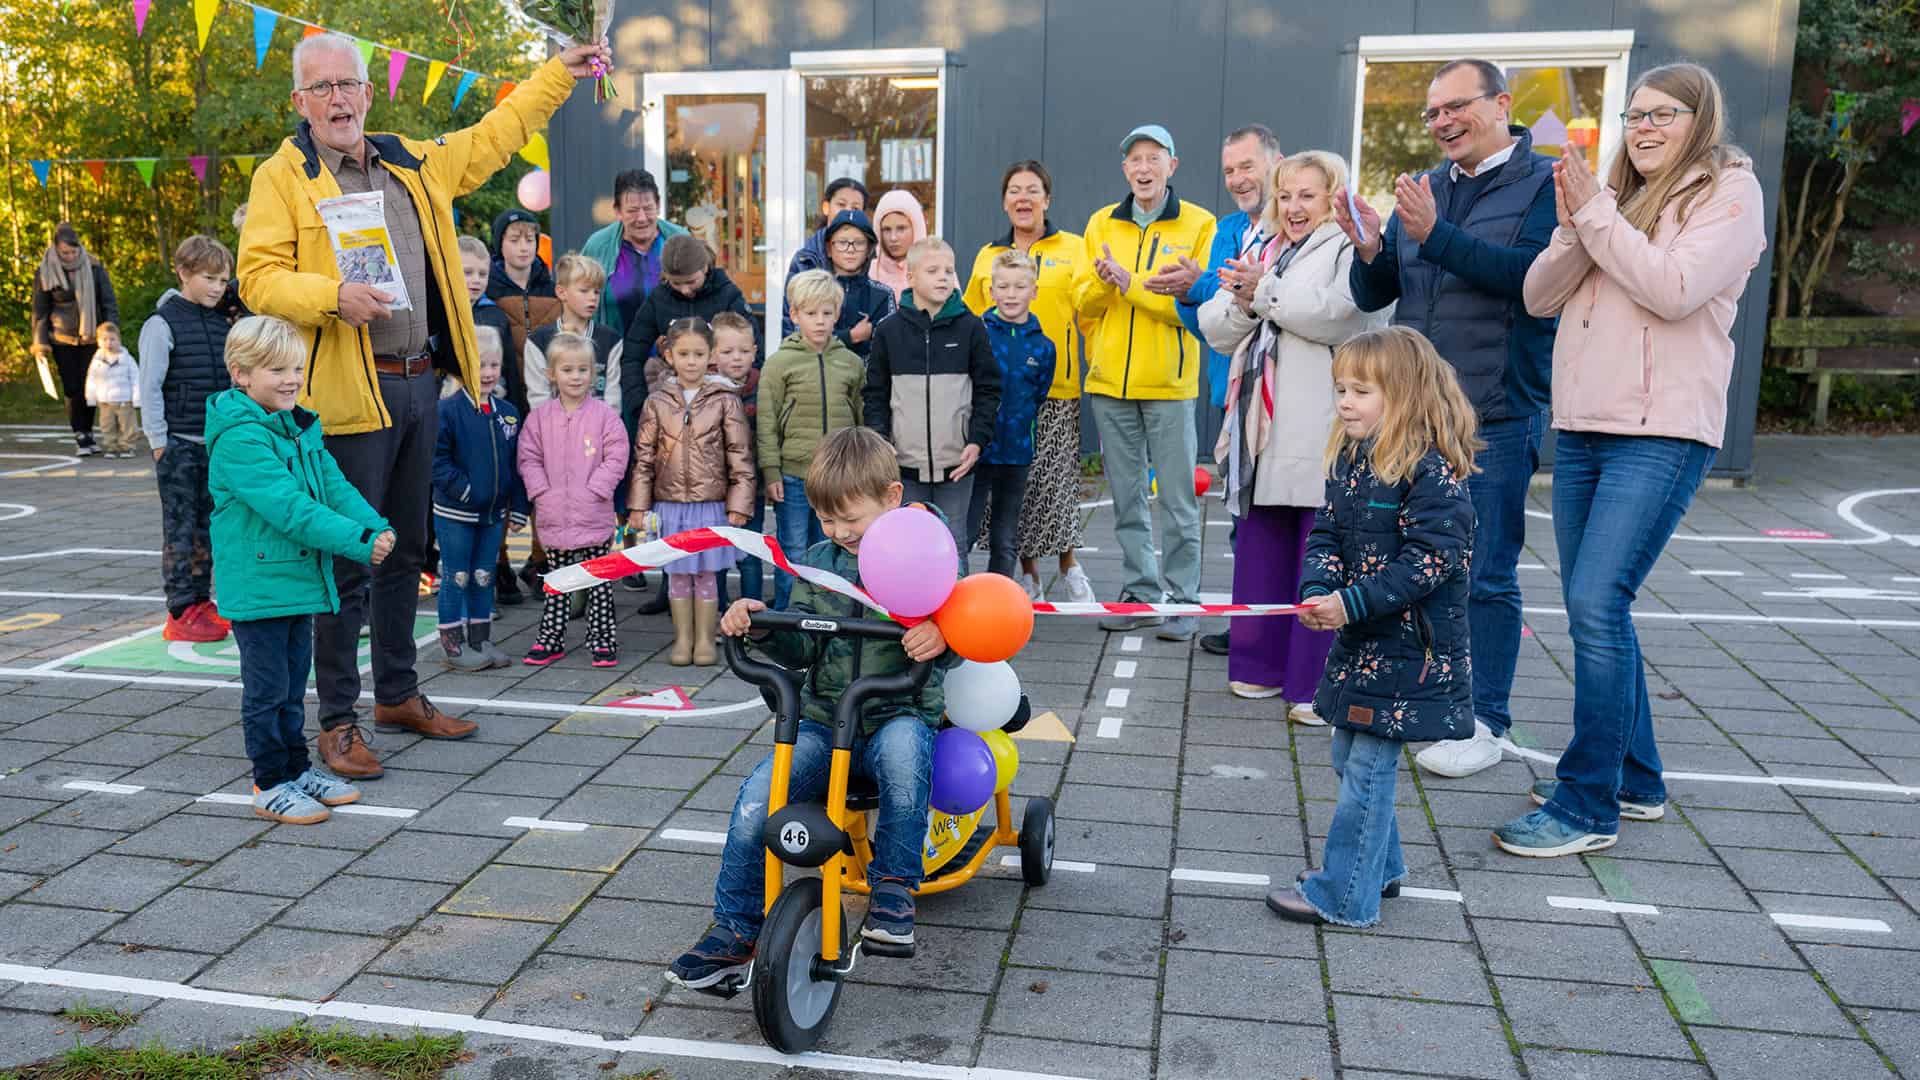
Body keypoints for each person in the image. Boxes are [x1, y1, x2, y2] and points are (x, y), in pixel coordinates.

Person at [236, 30, 610, 777]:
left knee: (408, 551)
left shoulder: (408, 158)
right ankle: (338, 721)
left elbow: (495, 135)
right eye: (323, 89)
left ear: (370, 93)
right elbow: (257, 278)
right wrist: (330, 296)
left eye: (350, 85)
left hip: (420, 381)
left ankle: (398, 694)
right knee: (348, 561)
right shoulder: (283, 176)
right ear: (300, 102)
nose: (339, 99)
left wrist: (557, 77)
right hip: (345, 390)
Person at [1495, 63, 1767, 857]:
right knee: (1598, 605)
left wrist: (1600, 215)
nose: (1643, 128)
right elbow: (1540, 296)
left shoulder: (1728, 192)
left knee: (1593, 604)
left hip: (1662, 428)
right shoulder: (1607, 201)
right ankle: (1637, 779)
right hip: (1583, 427)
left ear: (1700, 120)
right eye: (1634, 115)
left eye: (1663, 115)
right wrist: (1579, 223)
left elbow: (1675, 289)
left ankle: (1587, 805)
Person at [668, 426, 960, 990]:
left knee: (904, 762)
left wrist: (940, 634)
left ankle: (895, 890)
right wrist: (758, 626)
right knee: (759, 797)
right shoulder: (818, 563)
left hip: (896, 712)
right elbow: (800, 645)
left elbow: (964, 614)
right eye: (828, 519)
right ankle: (734, 927)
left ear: (893, 498)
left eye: (852, 518)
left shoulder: (926, 548)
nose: (840, 532)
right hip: (828, 719)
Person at [1334, 58, 1557, 781]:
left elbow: (1531, 284)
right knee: (1403, 561)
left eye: (1456, 107)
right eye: (1433, 113)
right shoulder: (1423, 190)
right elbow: (1383, 288)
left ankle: (1485, 720)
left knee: (1484, 570)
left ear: (1502, 104)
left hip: (1493, 410)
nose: (1442, 123)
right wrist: (1370, 246)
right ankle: (1420, 699)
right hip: (1414, 415)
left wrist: (1434, 236)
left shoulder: (1545, 185)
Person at [1264, 326, 1479, 927]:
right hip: (1365, 642)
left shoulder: (1432, 472)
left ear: (1404, 394)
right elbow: (1328, 533)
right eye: (1341, 390)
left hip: (1410, 652)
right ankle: (1377, 869)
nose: (1345, 402)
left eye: (1361, 390)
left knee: (1367, 768)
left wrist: (1351, 603)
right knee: (1346, 757)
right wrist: (1317, 591)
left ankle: (1344, 896)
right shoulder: (1355, 459)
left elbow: (1429, 562)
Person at [1198, 150, 1388, 724]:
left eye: (1307, 195)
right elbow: (1214, 325)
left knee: (1320, 550)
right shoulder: (1265, 246)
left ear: (1333, 195)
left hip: (1321, 419)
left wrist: (1264, 294)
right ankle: (1257, 665)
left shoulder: (1347, 247)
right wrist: (1247, 299)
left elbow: (1342, 315)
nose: (1294, 207)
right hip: (1261, 426)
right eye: (1285, 195)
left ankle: (1313, 685)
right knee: (1261, 545)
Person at [205, 315, 394, 826]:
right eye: (276, 369)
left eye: (296, 367)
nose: (291, 379)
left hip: (294, 581)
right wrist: (359, 542)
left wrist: (374, 523)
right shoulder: (242, 439)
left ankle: (296, 769)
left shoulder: (298, 424)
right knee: (267, 691)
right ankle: (270, 782)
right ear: (241, 373)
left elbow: (333, 487)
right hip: (260, 583)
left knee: (292, 686)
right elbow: (290, 508)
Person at [1072, 124, 1216, 640]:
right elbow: (1082, 304)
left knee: (1178, 501)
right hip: (1110, 384)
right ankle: (1141, 593)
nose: (1143, 167)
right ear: (1125, 169)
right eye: (1134, 158)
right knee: (1127, 498)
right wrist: (1107, 286)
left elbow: (1190, 310)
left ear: (1172, 166)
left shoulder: (1200, 225)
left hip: (1170, 387)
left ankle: (1183, 600)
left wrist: (1129, 284)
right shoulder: (1100, 223)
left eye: (1154, 157)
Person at [962, 161, 1096, 605]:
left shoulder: (1074, 248)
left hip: (1053, 388)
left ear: (1047, 199)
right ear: (1004, 201)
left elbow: (1088, 308)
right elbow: (970, 319)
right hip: (997, 396)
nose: (1024, 198)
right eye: (1015, 190)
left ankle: (1069, 565)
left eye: (1033, 190)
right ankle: (1027, 575)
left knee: (1055, 486)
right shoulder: (987, 256)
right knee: (1016, 493)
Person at [1179, 125, 1284, 656]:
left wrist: (1201, 285)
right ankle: (1251, 626)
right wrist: (1192, 287)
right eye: (1229, 171)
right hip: (1235, 390)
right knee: (1243, 516)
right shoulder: (1229, 227)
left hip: (1285, 394)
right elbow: (1212, 306)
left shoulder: (1296, 227)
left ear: (1276, 161)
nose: (1239, 179)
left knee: (1285, 520)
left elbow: (1223, 289)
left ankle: (1278, 631)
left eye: (1247, 166)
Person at [627, 318, 756, 665]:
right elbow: (643, 457)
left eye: (699, 353)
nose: (691, 361)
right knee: (677, 573)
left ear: (710, 355)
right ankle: (682, 640)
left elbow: (739, 454)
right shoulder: (657, 401)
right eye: (684, 353)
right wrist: (638, 507)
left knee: (707, 574)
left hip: (710, 505)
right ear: (670, 355)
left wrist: (739, 503)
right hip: (670, 506)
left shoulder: (724, 400)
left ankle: (705, 641)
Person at [864, 237, 1001, 552]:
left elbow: (988, 388)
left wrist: (977, 440)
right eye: (933, 270)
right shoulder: (889, 331)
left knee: (953, 543)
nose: (944, 277)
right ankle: (908, 603)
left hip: (957, 465)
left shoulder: (971, 328)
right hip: (904, 466)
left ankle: (958, 602)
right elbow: (875, 393)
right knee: (909, 545)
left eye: (949, 271)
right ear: (910, 277)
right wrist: (881, 439)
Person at [138, 235, 238, 644]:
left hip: (213, 445)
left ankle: (201, 600)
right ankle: (180, 609)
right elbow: (149, 387)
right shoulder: (161, 324)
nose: (217, 287)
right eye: (209, 278)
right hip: (178, 445)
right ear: (183, 273)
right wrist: (159, 441)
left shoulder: (224, 321)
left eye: (223, 279)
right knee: (180, 530)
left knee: (208, 528)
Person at [519, 332, 631, 667]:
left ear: (592, 375)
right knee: (557, 581)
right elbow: (528, 457)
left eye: (583, 370)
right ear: (552, 374)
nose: (576, 377)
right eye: (567, 370)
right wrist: (542, 491)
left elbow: (617, 455)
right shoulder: (540, 418)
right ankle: (550, 639)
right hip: (554, 514)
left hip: (593, 513)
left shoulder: (604, 416)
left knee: (598, 583)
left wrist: (597, 489)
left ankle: (602, 640)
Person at [759, 270, 865, 610]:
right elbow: (766, 421)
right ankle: (789, 622)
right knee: (792, 548)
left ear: (837, 314)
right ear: (794, 315)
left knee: (831, 549)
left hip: (837, 478)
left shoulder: (850, 363)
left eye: (827, 313)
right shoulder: (779, 364)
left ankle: (829, 617)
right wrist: (771, 472)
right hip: (792, 476)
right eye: (810, 313)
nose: (819, 322)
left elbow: (861, 418)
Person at [432, 325, 526, 672]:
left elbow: (516, 463)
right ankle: (453, 645)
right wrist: (466, 491)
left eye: (493, 365)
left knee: (484, 574)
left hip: (493, 514)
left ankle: (480, 638)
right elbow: (436, 462)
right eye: (477, 365)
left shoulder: (508, 412)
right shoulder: (447, 411)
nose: (487, 373)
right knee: (457, 575)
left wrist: (518, 506)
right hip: (456, 512)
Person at [965, 250, 1055, 579]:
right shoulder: (977, 334)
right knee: (966, 532)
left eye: (1019, 287)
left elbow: (1039, 393)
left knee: (1005, 538)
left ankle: (996, 603)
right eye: (1003, 287)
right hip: (975, 452)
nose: (1011, 294)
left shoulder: (1044, 347)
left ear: (1034, 291)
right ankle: (949, 600)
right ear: (991, 291)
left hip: (1017, 455)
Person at [623, 234, 757, 406]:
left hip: (722, 401)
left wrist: (744, 403)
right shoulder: (659, 299)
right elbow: (632, 356)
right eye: (676, 284)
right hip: (672, 402)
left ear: (705, 268)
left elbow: (753, 351)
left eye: (691, 281)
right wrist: (640, 405)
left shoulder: (727, 294)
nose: (685, 290)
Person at [31, 223, 120, 457]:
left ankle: (89, 431)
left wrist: (113, 333)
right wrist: (40, 343)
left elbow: (108, 302)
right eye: (65, 253)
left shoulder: (94, 267)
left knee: (90, 387)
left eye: (73, 252)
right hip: (62, 338)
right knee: (72, 388)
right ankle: (80, 433)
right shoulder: (45, 271)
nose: (70, 256)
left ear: (79, 248)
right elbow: (40, 310)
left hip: (93, 337)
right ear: (56, 250)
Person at [579, 168, 691, 335]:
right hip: (614, 354)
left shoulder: (681, 240)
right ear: (617, 211)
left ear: (658, 205)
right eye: (632, 211)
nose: (642, 218)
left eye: (648, 208)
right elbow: (578, 300)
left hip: (673, 356)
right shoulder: (598, 246)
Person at [782, 209, 894, 362]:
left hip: (866, 380)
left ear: (869, 249)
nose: (850, 250)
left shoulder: (882, 295)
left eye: (859, 243)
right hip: (816, 377)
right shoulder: (813, 291)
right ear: (829, 248)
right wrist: (851, 336)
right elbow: (802, 341)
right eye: (842, 243)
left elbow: (885, 348)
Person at [711, 311, 766, 607]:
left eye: (744, 351)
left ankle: (754, 614)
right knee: (717, 555)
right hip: (716, 491)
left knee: (750, 554)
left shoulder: (762, 386)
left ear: (755, 351)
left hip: (752, 489)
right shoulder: (708, 390)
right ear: (713, 352)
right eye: (727, 351)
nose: (737, 358)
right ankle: (719, 612)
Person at [525, 253, 623, 415]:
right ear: (561, 292)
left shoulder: (611, 340)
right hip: (554, 432)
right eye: (584, 291)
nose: (592, 298)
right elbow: (538, 402)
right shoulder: (538, 341)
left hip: (599, 432)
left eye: (597, 292)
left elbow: (612, 401)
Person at [487, 208, 562, 388]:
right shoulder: (488, 291)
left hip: (549, 390)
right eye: (514, 240)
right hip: (504, 388)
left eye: (530, 240)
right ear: (500, 244)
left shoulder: (554, 290)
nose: (524, 247)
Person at [784, 177, 869, 279]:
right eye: (841, 204)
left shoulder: (871, 256)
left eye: (855, 208)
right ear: (826, 208)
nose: (847, 212)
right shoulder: (805, 259)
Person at [84, 323, 141, 459]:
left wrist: (137, 397)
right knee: (107, 426)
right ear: (98, 342)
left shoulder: (127, 359)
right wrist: (91, 397)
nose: (108, 343)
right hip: (104, 401)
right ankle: (111, 446)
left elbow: (136, 378)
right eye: (104, 339)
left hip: (124, 400)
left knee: (127, 425)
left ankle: (127, 446)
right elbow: (91, 379)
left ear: (119, 340)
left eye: (112, 339)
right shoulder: (97, 361)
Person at [869, 189, 928, 297]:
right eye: (886, 229)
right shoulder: (869, 272)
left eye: (901, 228)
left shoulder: (936, 269)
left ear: (916, 228)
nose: (893, 238)